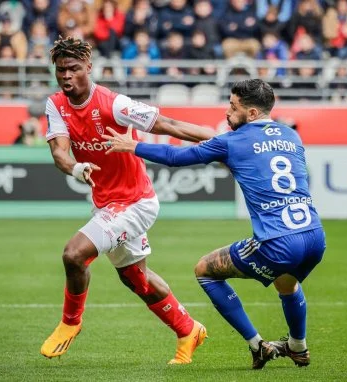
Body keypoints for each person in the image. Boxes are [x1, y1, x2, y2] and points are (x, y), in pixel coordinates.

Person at [102, 79, 326, 369]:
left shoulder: (232, 141)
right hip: (314, 237)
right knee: (287, 284)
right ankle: (298, 346)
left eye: (233, 107)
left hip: (278, 241)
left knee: (205, 271)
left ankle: (257, 346)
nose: (227, 112)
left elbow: (175, 157)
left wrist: (133, 146)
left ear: (253, 114)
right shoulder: (290, 136)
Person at [40, 36, 216, 364]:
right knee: (136, 279)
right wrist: (77, 168)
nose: (66, 76)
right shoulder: (56, 105)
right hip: (107, 204)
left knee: (73, 255)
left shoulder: (114, 104)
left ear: (88, 68)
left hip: (136, 203)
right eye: (60, 70)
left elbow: (169, 125)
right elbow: (59, 153)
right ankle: (188, 329)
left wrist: (223, 139)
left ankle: (70, 323)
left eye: (74, 69)